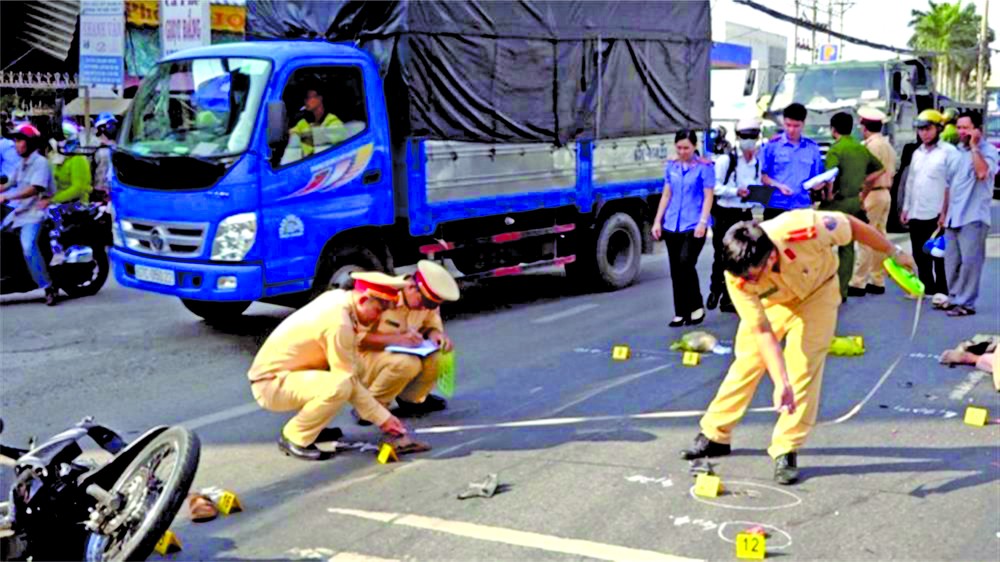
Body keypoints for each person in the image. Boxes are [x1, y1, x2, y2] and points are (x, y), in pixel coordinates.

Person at [680, 209, 916, 485]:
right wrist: (780, 383)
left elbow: (851, 225)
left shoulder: (804, 228)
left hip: (817, 295)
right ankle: (715, 434)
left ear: (771, 255)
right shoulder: (738, 276)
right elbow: (762, 331)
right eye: (746, 278)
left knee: (803, 367)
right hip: (773, 306)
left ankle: (786, 448)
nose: (751, 282)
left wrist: (892, 251)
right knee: (747, 361)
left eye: (756, 275)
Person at [247, 272, 410, 461]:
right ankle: (294, 436)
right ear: (364, 299)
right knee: (339, 386)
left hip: (291, 372)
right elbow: (347, 379)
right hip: (271, 384)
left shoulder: (339, 298)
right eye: (378, 311)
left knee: (349, 374)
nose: (378, 318)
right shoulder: (339, 324)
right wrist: (382, 418)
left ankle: (313, 428)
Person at [356, 260, 461, 422]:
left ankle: (412, 401)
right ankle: (371, 407)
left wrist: (435, 334)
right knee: (407, 363)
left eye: (432, 304)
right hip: (364, 358)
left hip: (397, 355)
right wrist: (397, 340)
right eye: (426, 302)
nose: (425, 307)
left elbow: (430, 324)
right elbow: (357, 339)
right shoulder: (382, 295)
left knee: (439, 355)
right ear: (411, 288)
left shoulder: (426, 305)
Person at [652, 129, 715, 327]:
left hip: (694, 223)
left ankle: (696, 305)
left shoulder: (705, 167)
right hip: (672, 223)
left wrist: (703, 222)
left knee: (686, 263)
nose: (682, 151)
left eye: (686, 147)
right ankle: (680, 312)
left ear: (695, 147)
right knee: (676, 269)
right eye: (679, 147)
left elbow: (708, 196)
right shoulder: (671, 166)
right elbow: (666, 195)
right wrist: (657, 221)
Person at [939, 111, 999, 317]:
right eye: (959, 127)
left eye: (966, 127)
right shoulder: (955, 153)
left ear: (977, 130)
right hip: (953, 216)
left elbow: (982, 173)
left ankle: (966, 303)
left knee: (970, 262)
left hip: (974, 216)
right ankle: (955, 298)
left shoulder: (988, 151)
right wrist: (943, 213)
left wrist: (974, 147)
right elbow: (948, 186)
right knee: (951, 261)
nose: (961, 131)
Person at [820, 112, 883, 301]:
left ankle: (823, 289)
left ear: (833, 130)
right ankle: (842, 290)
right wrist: (863, 185)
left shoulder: (836, 150)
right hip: (854, 202)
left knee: (822, 244)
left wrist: (829, 194)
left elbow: (830, 176)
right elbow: (880, 169)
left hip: (836, 203)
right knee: (847, 247)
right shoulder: (860, 148)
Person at [901, 109, 956, 307]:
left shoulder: (949, 153)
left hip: (937, 213)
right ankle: (926, 287)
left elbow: (952, 185)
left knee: (939, 255)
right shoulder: (917, 153)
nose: (924, 133)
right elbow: (911, 182)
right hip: (917, 211)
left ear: (938, 129)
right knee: (919, 253)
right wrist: (906, 208)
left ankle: (943, 290)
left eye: (928, 129)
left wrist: (946, 212)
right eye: (921, 129)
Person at [708, 117, 762, 314]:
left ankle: (730, 298)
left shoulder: (756, 162)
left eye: (753, 136)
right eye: (745, 136)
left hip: (744, 212)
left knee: (741, 257)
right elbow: (714, 187)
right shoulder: (726, 160)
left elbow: (756, 186)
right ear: (738, 137)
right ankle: (716, 289)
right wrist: (735, 191)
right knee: (721, 255)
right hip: (725, 212)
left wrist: (756, 195)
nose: (749, 140)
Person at [0, 123, 57, 305]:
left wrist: (7, 196)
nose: (16, 144)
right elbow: (9, 183)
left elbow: (35, 188)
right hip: (20, 212)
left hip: (35, 213)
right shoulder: (22, 164)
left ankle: (48, 286)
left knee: (28, 247)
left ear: (30, 143)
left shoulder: (40, 162)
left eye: (19, 140)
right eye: (15, 141)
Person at [848, 107, 897, 297]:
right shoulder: (887, 145)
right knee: (880, 237)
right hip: (885, 193)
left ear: (864, 125)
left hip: (872, 193)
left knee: (865, 238)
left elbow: (869, 176)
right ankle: (877, 279)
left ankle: (859, 282)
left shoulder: (871, 146)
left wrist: (861, 197)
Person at [760, 103, 826, 220]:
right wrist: (779, 186)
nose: (791, 130)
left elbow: (816, 177)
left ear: (803, 124)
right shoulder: (772, 146)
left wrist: (818, 185)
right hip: (776, 205)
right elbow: (762, 176)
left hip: (801, 206)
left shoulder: (812, 148)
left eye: (796, 126)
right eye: (788, 125)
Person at [47, 119, 93, 266]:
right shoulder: (57, 159)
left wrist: (53, 200)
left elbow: (78, 188)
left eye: (60, 139)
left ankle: (58, 256)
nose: (57, 142)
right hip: (59, 201)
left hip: (76, 204)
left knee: (51, 219)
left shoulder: (78, 159)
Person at [289, 89, 348, 159]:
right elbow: (291, 134)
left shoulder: (333, 121)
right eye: (305, 99)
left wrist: (301, 136)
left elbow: (324, 141)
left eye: (308, 97)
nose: (306, 101)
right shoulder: (302, 123)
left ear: (320, 98)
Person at [92, 112, 118, 200]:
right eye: (110, 125)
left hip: (115, 188)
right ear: (101, 128)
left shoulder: (119, 146)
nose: (113, 128)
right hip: (100, 191)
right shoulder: (95, 147)